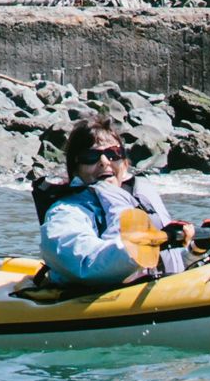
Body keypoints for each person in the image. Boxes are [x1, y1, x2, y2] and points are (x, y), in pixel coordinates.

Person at [37, 114, 194, 288]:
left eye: (113, 153)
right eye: (91, 156)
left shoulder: (136, 198)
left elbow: (165, 262)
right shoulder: (66, 212)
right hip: (94, 302)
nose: (104, 162)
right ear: (75, 169)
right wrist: (148, 244)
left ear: (125, 164)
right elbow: (85, 263)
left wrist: (195, 252)